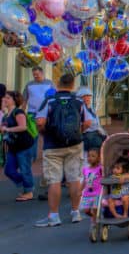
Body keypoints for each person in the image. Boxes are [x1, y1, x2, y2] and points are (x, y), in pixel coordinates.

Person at [34, 73, 89, 226]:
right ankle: (76, 212)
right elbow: (88, 122)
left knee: (54, 180)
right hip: (74, 144)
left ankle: (54, 216)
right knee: (74, 178)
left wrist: (44, 133)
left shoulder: (49, 100)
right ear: (72, 85)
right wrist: (79, 132)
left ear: (58, 84)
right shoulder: (79, 101)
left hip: (52, 145)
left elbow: (40, 122)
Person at [1, 91, 36, 201]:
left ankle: (28, 192)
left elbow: (23, 127)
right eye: (4, 98)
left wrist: (7, 129)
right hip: (13, 147)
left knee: (25, 169)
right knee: (9, 170)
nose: (5, 99)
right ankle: (27, 184)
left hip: (24, 146)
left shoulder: (18, 112)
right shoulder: (5, 115)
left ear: (14, 100)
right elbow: (4, 129)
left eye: (8, 98)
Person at [77, 87, 106, 153]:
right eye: (85, 96)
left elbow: (96, 123)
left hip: (96, 135)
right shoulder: (80, 108)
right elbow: (86, 124)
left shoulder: (91, 108)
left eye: (89, 96)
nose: (87, 98)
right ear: (80, 97)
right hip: (88, 137)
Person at [80, 149, 102, 223]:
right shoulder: (85, 169)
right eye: (88, 156)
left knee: (95, 209)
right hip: (87, 194)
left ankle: (95, 224)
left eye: (93, 156)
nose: (90, 158)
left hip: (97, 193)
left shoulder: (100, 169)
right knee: (86, 211)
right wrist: (80, 190)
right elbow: (84, 181)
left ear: (98, 158)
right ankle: (96, 218)